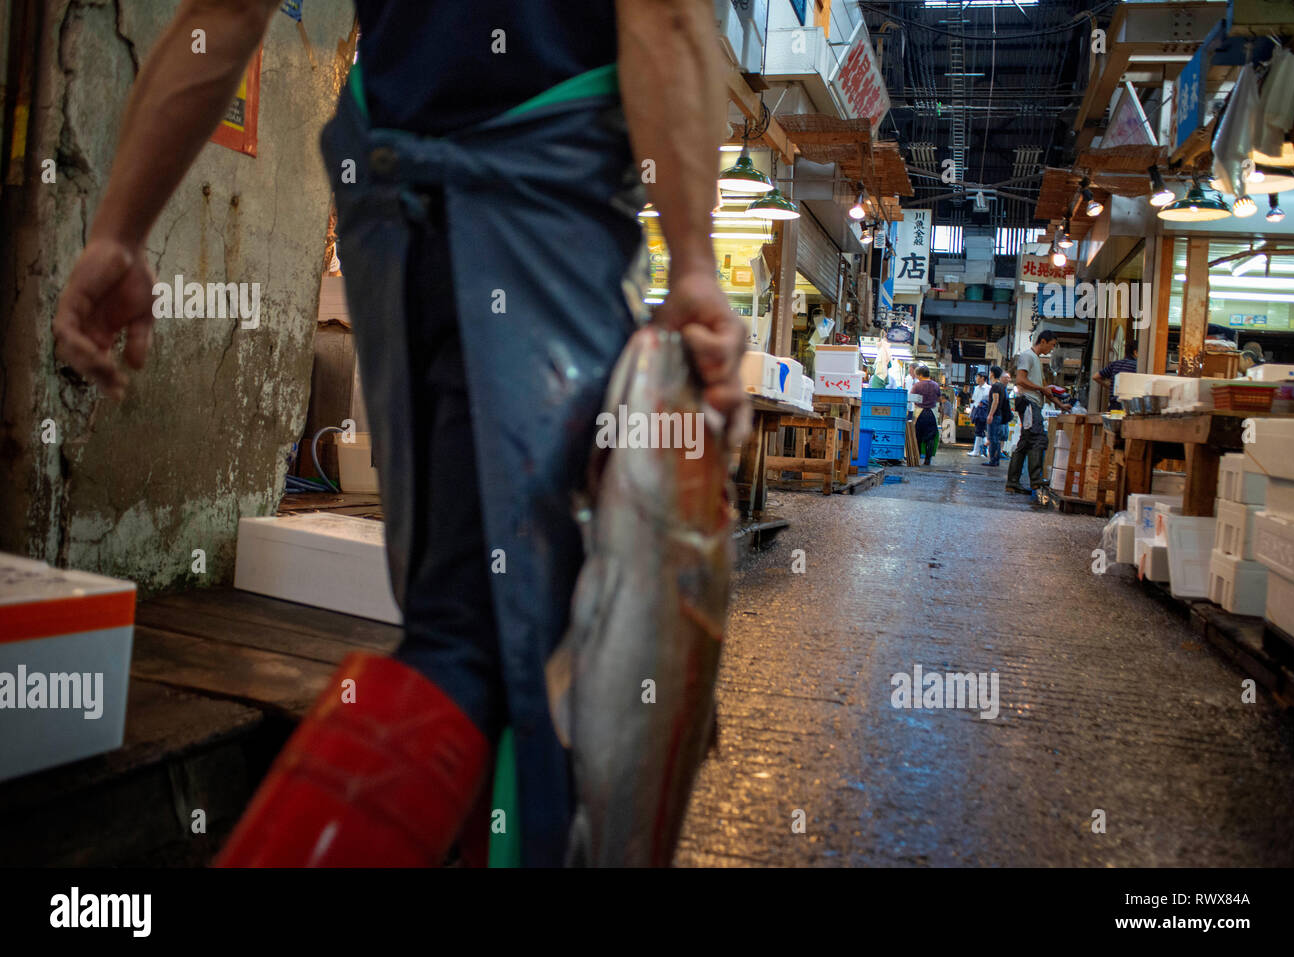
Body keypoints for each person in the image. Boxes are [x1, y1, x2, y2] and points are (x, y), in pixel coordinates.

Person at [51, 0, 747, 867]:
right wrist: (692, 263)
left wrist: (119, 229)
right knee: (502, 644)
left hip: (398, 202)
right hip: (531, 203)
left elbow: (222, 14)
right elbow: (668, 16)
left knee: (476, 620)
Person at [1006, 330, 1068, 501]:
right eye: (1052, 345)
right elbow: (1020, 380)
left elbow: (1045, 388)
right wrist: (1041, 389)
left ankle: (1013, 482)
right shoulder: (1028, 356)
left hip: (1032, 404)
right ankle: (1035, 480)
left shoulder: (1036, 361)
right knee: (1038, 438)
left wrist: (1060, 404)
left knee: (1025, 442)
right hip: (1028, 403)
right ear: (1043, 341)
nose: (1052, 348)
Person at [1092, 341, 1138, 411]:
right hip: (1128, 407)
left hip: (1113, 406)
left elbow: (1095, 376)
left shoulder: (1116, 363)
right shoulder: (1137, 366)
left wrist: (1112, 387)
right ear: (1135, 352)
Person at [910, 364, 941, 466]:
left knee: (917, 436)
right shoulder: (936, 385)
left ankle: (917, 457)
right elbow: (938, 399)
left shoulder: (917, 385)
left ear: (920, 375)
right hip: (932, 413)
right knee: (930, 437)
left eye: (916, 375)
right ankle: (928, 459)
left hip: (919, 413)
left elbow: (912, 399)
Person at [981, 369, 1007, 466]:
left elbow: (995, 401)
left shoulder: (995, 386)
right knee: (996, 438)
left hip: (995, 415)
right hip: (999, 415)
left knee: (992, 438)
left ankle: (993, 460)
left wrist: (990, 414)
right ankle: (996, 460)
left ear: (992, 373)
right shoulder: (1001, 386)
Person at [967, 372, 990, 457]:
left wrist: (984, 404)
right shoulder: (976, 388)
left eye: (977, 377)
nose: (976, 378)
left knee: (980, 431)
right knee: (979, 431)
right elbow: (974, 401)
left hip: (984, 412)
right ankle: (982, 451)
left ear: (982, 378)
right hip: (977, 411)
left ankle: (979, 451)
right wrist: (971, 413)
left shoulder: (989, 388)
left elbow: (990, 402)